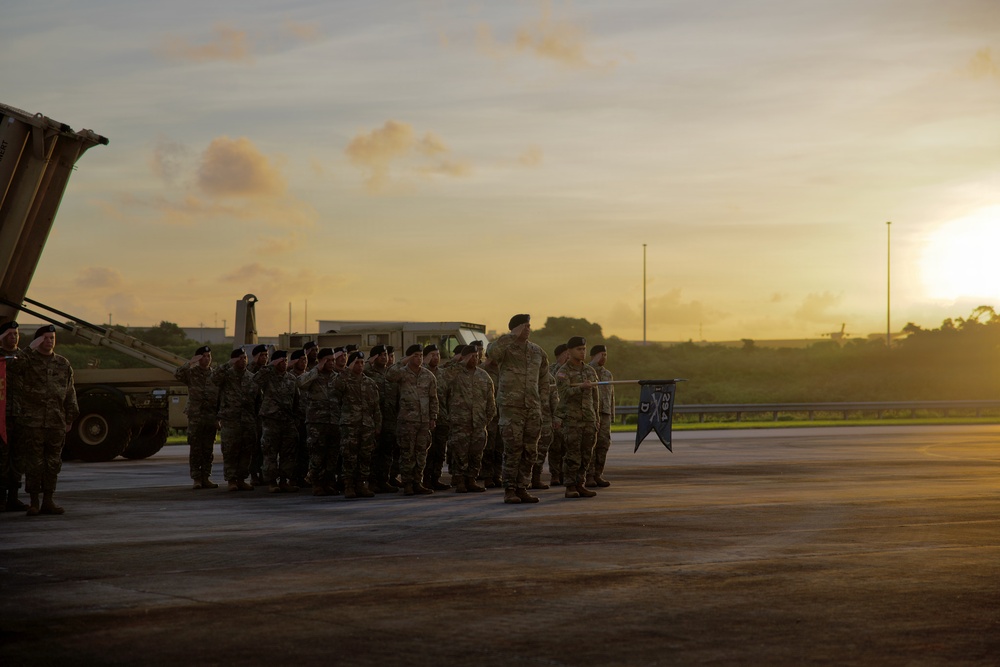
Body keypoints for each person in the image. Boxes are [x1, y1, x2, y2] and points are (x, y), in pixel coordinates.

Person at [7, 325, 79, 515]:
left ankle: (48, 500)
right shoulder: (28, 361)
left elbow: (70, 392)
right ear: (38, 340)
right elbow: (12, 368)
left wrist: (69, 417)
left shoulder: (63, 364)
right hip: (33, 421)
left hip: (56, 421)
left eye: (52, 338)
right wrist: (30, 348)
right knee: (34, 462)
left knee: (53, 462)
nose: (49, 341)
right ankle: (33, 502)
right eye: (45, 338)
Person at [486, 314, 549, 504]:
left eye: (530, 326)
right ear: (515, 328)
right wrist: (512, 335)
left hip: (532, 408)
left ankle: (523, 487)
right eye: (525, 326)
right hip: (511, 408)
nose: (528, 329)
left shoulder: (538, 352)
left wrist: (543, 402)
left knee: (530, 451)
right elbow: (491, 354)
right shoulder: (505, 348)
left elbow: (545, 380)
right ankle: (510, 489)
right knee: (513, 449)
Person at [441, 346, 495, 493]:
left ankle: (471, 479)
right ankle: (460, 481)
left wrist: (485, 420)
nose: (475, 359)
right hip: (460, 423)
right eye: (471, 356)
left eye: (476, 356)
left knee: (476, 454)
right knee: (459, 453)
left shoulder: (484, 376)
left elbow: (490, 402)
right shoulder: (454, 374)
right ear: (464, 357)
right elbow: (442, 380)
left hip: (478, 424)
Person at [386, 344, 438, 495]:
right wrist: (404, 360)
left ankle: (417, 482)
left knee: (421, 453)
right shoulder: (401, 373)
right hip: (406, 421)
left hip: (423, 422)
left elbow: (433, 399)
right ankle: (407, 483)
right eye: (416, 355)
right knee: (407, 453)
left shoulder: (428, 376)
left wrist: (433, 417)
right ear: (409, 357)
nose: (419, 358)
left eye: (421, 355)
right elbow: (389, 375)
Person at [554, 336, 599, 499]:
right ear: (570, 351)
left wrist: (596, 418)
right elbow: (563, 394)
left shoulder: (589, 371)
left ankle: (581, 483)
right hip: (572, 420)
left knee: (587, 453)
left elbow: (595, 396)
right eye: (579, 349)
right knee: (572, 454)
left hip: (589, 419)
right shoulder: (563, 372)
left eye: (584, 349)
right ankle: (570, 486)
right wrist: (580, 388)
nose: (582, 352)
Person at [334, 351, 382, 499]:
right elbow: (336, 395)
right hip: (350, 425)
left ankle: (362, 485)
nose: (360, 365)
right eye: (357, 362)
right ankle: (349, 486)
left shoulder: (369, 383)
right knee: (349, 456)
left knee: (365, 457)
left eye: (362, 362)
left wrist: (377, 425)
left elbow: (376, 407)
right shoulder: (343, 380)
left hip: (366, 426)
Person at [253, 350, 300, 493]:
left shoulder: (291, 379)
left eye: (285, 360)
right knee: (270, 453)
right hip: (271, 421)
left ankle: (284, 480)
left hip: (287, 421)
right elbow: (254, 380)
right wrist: (270, 366)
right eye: (281, 361)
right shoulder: (268, 376)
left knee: (288, 453)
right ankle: (272, 482)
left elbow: (296, 401)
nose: (284, 363)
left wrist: (295, 418)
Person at [174, 345, 220, 489]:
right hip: (196, 416)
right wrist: (191, 362)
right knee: (196, 449)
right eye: (204, 356)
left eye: (209, 356)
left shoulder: (215, 375)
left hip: (210, 416)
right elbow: (177, 374)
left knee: (208, 449)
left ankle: (206, 477)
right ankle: (197, 479)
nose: (207, 359)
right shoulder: (192, 373)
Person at [212, 348, 258, 491]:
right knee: (231, 450)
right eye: (239, 358)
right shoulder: (226, 375)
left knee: (246, 451)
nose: (243, 360)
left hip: (247, 420)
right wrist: (228, 364)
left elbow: (257, 399)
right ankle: (231, 480)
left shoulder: (251, 377)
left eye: (244, 358)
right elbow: (213, 378)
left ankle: (241, 479)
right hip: (231, 420)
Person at [298, 347, 341, 495]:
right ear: (320, 361)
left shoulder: (337, 377)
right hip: (317, 422)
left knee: (332, 455)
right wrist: (317, 369)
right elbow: (301, 384)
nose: (331, 363)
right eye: (327, 360)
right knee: (317, 454)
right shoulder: (312, 375)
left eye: (333, 360)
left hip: (334, 421)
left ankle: (329, 483)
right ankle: (316, 483)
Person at [364, 344, 398, 493]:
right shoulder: (368, 372)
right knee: (373, 452)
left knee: (387, 451)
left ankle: (383, 480)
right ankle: (372, 482)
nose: (385, 357)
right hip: (374, 418)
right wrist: (368, 361)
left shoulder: (390, 373)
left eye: (386, 355)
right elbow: (355, 372)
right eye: (381, 355)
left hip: (390, 418)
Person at [1, 321, 27, 511]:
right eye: (10, 334)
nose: (14, 337)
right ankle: (1, 498)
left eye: (16, 334)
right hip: (1, 417)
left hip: (20, 416)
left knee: (18, 458)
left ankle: (13, 497)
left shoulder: (24, 357)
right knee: (1, 457)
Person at [422, 343, 450, 490]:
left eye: (438, 355)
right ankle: (425, 479)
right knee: (427, 451)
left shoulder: (443, 374)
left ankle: (436, 478)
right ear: (425, 357)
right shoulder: (421, 373)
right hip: (425, 419)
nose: (436, 357)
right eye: (432, 355)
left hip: (443, 418)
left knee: (439, 452)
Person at [587, 344, 614, 487]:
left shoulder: (607, 374)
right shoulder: (587, 371)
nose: (604, 357)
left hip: (605, 413)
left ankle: (598, 474)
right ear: (593, 356)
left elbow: (611, 396)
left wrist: (612, 414)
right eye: (601, 355)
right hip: (591, 413)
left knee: (604, 444)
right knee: (591, 444)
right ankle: (589, 475)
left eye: (605, 355)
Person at [546, 343, 569, 486]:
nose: (569, 356)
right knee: (555, 446)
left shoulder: (572, 370)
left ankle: (566, 474)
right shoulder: (550, 371)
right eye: (567, 353)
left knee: (568, 446)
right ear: (560, 355)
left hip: (569, 412)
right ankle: (555, 474)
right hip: (554, 412)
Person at [247, 344, 269, 485]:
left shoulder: (268, 370)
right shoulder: (250, 370)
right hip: (253, 415)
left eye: (266, 355)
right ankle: (254, 474)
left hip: (266, 414)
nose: (265, 358)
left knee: (265, 447)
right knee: (254, 447)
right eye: (262, 355)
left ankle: (263, 473)